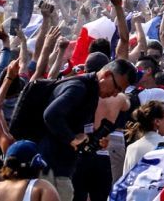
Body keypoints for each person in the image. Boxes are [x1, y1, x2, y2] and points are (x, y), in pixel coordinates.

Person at [39, 59, 138, 201]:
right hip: (50, 166)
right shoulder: (79, 87)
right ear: (107, 75)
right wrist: (72, 139)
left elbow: (78, 129)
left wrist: (93, 141)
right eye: (116, 87)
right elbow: (51, 115)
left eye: (121, 91)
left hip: (64, 166)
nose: (116, 94)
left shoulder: (91, 93)